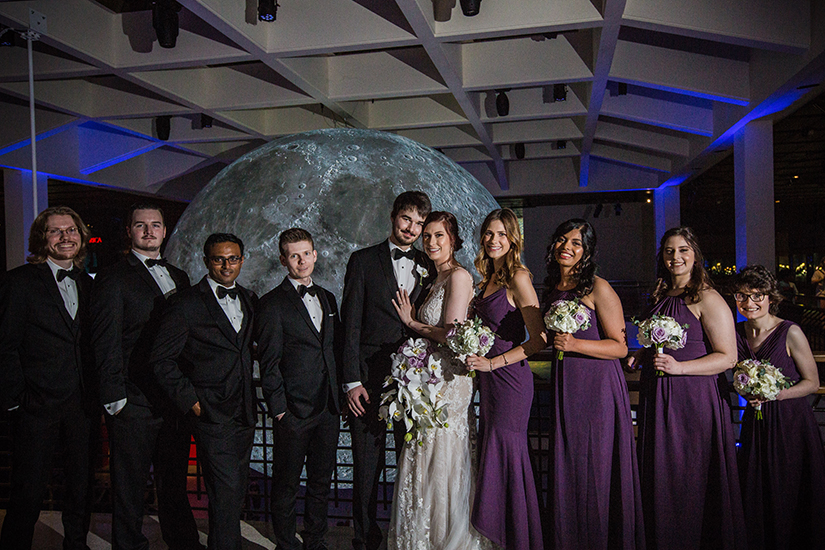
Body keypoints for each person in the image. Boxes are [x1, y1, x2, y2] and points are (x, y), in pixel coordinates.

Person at [90, 204, 203, 550]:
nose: (149, 231)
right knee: (130, 485)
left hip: (171, 401)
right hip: (133, 401)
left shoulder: (180, 276)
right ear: (129, 231)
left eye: (155, 225)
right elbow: (105, 339)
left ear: (165, 231)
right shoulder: (113, 277)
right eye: (141, 225)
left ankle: (182, 542)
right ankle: (128, 545)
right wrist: (115, 398)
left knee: (172, 481)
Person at [629, 226, 745, 550]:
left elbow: (728, 357)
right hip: (658, 393)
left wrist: (680, 368)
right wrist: (643, 353)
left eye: (682, 250)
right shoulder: (662, 295)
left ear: (695, 255)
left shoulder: (708, 297)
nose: (675, 257)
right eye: (669, 251)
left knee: (687, 473)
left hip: (692, 400)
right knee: (662, 473)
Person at [150, 233, 257, 550]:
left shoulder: (250, 298)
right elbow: (160, 359)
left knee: (233, 492)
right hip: (209, 412)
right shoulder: (185, 303)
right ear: (206, 261)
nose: (227, 265)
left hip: (244, 410)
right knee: (226, 491)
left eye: (233, 258)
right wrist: (191, 401)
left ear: (242, 260)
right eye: (219, 259)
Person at [341, 191, 435, 550]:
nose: (412, 228)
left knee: (411, 464)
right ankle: (365, 539)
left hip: (417, 382)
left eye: (420, 223)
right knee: (367, 466)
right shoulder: (362, 261)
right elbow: (349, 325)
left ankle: (406, 536)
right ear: (393, 217)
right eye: (406, 219)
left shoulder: (430, 265)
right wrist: (352, 381)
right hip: (369, 381)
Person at [542, 219, 644, 550]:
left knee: (596, 465)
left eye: (576, 243)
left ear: (587, 251)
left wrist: (574, 345)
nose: (566, 247)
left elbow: (620, 346)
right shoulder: (552, 287)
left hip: (597, 388)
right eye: (562, 240)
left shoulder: (598, 287)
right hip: (566, 383)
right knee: (570, 463)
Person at [0, 206, 97, 550]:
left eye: (71, 230)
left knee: (81, 487)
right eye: (56, 232)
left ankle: (76, 544)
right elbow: (5, 346)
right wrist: (16, 400)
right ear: (42, 239)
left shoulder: (89, 284)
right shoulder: (20, 281)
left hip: (82, 405)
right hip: (36, 405)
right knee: (28, 489)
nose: (65, 237)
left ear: (81, 236)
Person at [388, 211, 485, 550]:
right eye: (426, 236)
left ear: (454, 240)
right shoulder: (435, 279)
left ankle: (445, 537)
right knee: (424, 453)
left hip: (449, 382)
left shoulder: (459, 277)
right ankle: (424, 536)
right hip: (429, 380)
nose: (430, 242)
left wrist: (412, 323)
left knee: (442, 454)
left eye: (439, 236)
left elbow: (452, 334)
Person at [255, 228, 343, 550]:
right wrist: (279, 410)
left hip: (328, 409)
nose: (301, 260)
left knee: (320, 483)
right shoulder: (271, 304)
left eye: (306, 253)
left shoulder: (329, 298)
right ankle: (285, 544)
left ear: (315, 255)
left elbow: (333, 350)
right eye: (294, 255)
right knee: (286, 485)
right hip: (292, 411)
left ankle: (315, 542)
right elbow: (268, 362)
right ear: (283, 260)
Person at [465, 208, 545, 550]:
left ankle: (518, 539)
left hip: (510, 379)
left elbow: (539, 339)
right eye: (489, 234)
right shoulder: (490, 278)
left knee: (507, 454)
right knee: (494, 452)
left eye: (501, 234)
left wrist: (494, 363)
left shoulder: (518, 277)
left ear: (514, 238)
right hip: (490, 380)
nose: (494, 240)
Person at [732, 265, 825, 550]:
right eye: (743, 296)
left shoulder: (790, 332)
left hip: (789, 423)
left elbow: (812, 382)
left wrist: (777, 395)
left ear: (771, 297)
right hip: (755, 422)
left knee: (788, 487)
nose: (749, 303)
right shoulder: (735, 332)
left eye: (757, 295)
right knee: (755, 485)